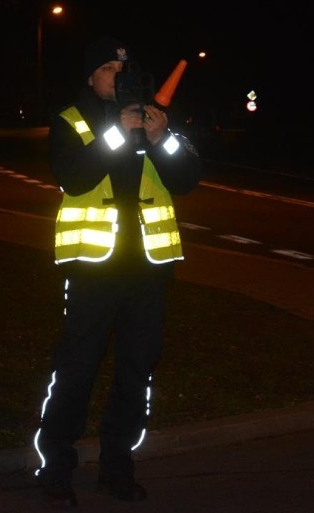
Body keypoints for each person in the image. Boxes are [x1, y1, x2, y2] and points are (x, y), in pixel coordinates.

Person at [33, 36, 202, 509]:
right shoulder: (72, 120)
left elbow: (188, 179)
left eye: (124, 68)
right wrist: (116, 131)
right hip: (93, 268)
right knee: (76, 370)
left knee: (136, 372)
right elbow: (75, 177)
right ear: (91, 77)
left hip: (148, 270)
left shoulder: (155, 120)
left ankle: (117, 467)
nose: (118, 76)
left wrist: (160, 138)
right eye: (108, 67)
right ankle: (56, 468)